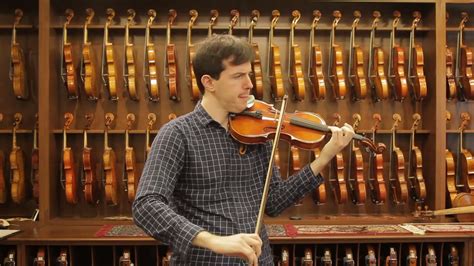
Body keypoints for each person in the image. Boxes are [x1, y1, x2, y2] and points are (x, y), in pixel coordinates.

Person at [132, 34, 354, 265]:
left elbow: (274, 202)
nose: (249, 84)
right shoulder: (177, 134)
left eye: (248, 74)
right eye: (238, 76)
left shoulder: (257, 131)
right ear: (209, 82)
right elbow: (146, 206)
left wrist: (325, 156)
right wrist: (213, 240)